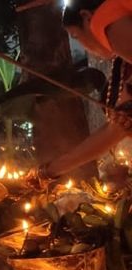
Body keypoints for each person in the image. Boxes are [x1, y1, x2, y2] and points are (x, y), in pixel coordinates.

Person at [38, 0, 132, 178]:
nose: (83, 46)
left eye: (76, 35)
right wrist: (52, 169)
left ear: (86, 17)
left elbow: (118, 127)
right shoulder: (124, 62)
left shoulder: (105, 17)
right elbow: (116, 130)